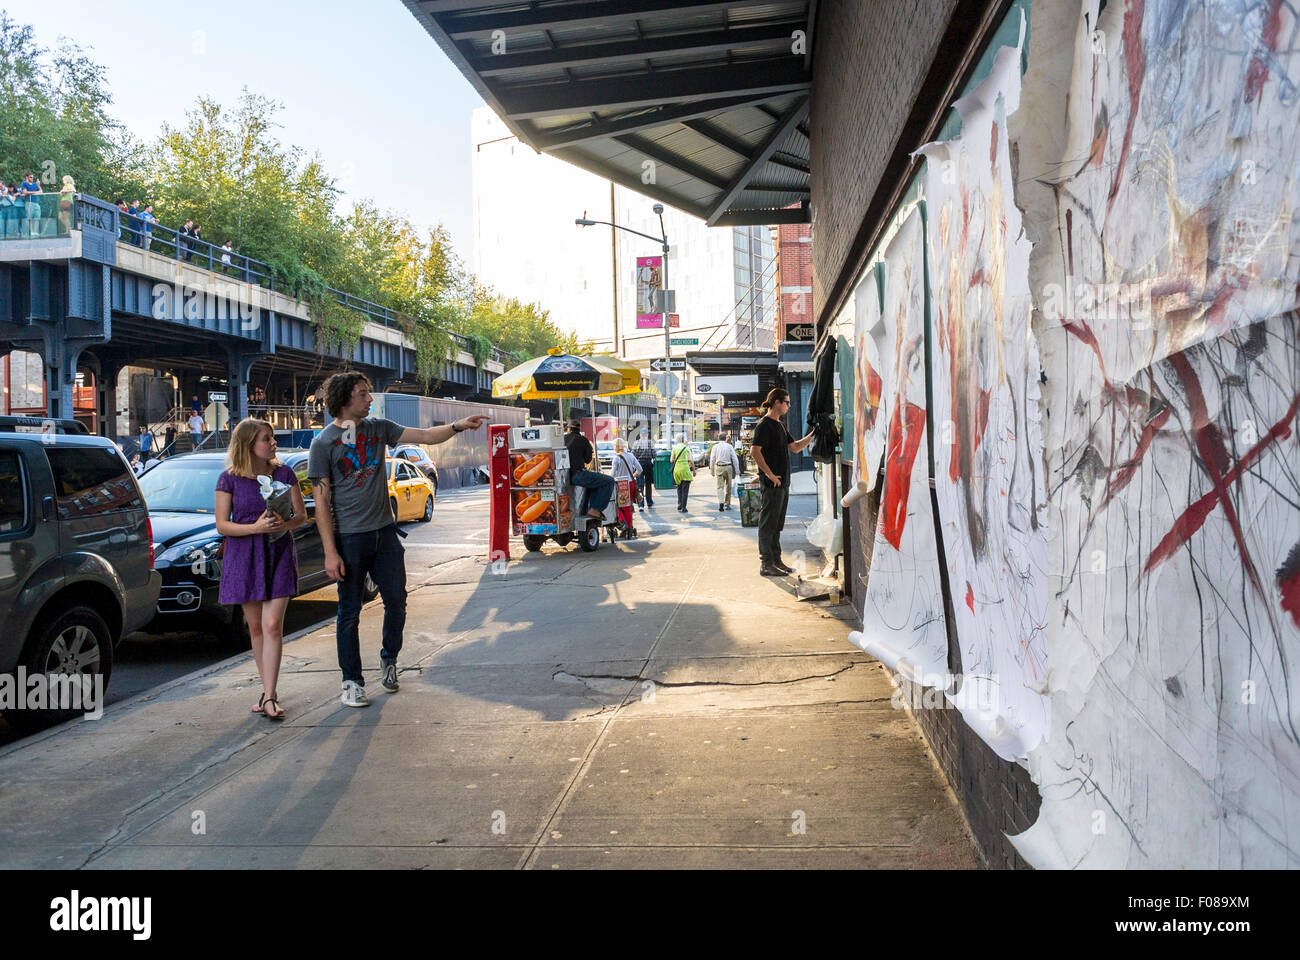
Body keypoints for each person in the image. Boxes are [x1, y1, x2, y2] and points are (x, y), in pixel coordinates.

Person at [308, 371, 488, 708]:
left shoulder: (378, 428)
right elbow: (321, 502)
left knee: (397, 601)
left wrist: (458, 426)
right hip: (349, 539)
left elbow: (424, 434)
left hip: (385, 534)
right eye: (363, 393)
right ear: (346, 398)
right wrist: (330, 552)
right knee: (349, 613)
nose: (370, 399)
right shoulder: (323, 443)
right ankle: (351, 682)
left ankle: (389, 659)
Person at [214, 418, 307, 721]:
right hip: (243, 555)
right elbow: (222, 525)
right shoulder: (229, 479)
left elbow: (301, 516)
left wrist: (285, 524)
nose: (273, 443)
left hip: (278, 551)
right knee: (255, 628)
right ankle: (267, 691)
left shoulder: (284, 473)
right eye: (266, 438)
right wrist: (254, 527)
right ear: (248, 444)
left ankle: (270, 695)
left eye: (272, 438)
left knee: (271, 626)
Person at [750, 387, 815, 576]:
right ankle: (766, 563)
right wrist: (769, 474)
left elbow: (794, 448)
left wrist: (812, 435)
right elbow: (755, 451)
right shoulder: (764, 425)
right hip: (773, 483)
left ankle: (776, 561)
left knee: (777, 524)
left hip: (783, 483)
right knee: (768, 523)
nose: (789, 405)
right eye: (786, 402)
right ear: (776, 402)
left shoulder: (779, 424)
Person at [564, 419, 615, 522]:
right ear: (579, 429)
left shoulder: (562, 439)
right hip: (577, 474)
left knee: (594, 482)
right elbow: (588, 459)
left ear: (568, 429)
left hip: (564, 476)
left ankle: (588, 508)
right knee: (609, 481)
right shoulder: (583, 439)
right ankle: (595, 509)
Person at [611, 438, 642, 537]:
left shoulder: (616, 458)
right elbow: (640, 469)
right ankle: (629, 529)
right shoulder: (631, 456)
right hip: (630, 483)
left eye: (614, 446)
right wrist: (633, 475)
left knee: (616, 506)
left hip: (621, 484)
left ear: (616, 446)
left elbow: (612, 474)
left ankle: (623, 525)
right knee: (628, 507)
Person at [709, 432, 741, 511]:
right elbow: (734, 458)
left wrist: (712, 470)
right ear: (725, 438)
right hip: (728, 467)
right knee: (728, 486)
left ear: (718, 438)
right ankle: (727, 503)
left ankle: (721, 502)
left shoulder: (715, 447)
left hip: (719, 467)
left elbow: (712, 459)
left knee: (720, 486)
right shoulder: (729, 446)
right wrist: (737, 470)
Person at [631, 428, 656, 509]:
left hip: (639, 465)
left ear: (640, 435)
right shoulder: (650, 442)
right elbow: (654, 455)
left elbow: (633, 455)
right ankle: (649, 502)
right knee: (648, 484)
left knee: (640, 485)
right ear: (647, 435)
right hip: (648, 464)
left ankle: (641, 505)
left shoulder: (636, 443)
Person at [670, 436, 693, 512]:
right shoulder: (686, 448)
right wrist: (694, 470)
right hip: (685, 469)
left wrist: (677, 459)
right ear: (683, 440)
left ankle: (679, 503)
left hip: (677, 470)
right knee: (685, 489)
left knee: (679, 487)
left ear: (677, 440)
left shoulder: (674, 448)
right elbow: (690, 460)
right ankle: (684, 507)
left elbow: (671, 460)